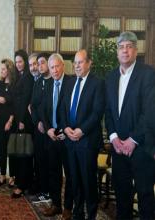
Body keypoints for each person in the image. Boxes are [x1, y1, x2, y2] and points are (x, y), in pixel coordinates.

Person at [105, 31, 155, 219]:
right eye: (121, 47)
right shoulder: (110, 77)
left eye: (129, 46)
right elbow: (108, 112)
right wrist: (114, 138)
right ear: (117, 52)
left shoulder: (148, 74)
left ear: (135, 50)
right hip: (118, 149)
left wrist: (132, 140)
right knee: (122, 196)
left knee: (145, 196)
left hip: (141, 148)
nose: (124, 50)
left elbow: (150, 112)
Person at [60, 49, 105, 220]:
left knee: (88, 182)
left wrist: (81, 130)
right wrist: (65, 128)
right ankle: (78, 213)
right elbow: (63, 109)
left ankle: (91, 215)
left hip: (87, 141)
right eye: (75, 63)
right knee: (74, 180)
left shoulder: (97, 83)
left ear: (89, 63)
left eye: (80, 62)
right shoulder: (70, 82)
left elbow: (97, 112)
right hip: (70, 140)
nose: (77, 66)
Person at [40, 53, 73, 219]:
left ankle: (68, 207)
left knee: (69, 174)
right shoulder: (48, 85)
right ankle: (56, 204)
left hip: (66, 138)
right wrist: (48, 129)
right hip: (51, 137)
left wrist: (63, 130)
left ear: (63, 66)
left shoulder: (71, 83)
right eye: (51, 67)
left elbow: (72, 111)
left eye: (56, 66)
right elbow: (42, 110)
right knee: (53, 172)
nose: (54, 70)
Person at [11, 49, 34, 198]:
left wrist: (21, 121)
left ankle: (22, 185)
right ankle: (21, 181)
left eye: (20, 61)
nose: (18, 64)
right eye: (16, 62)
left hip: (24, 122)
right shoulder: (19, 76)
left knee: (24, 155)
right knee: (19, 153)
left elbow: (26, 101)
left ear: (25, 62)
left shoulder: (28, 77)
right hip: (18, 119)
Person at [30, 52, 52, 201]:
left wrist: (45, 125)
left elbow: (53, 107)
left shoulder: (54, 82)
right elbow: (33, 106)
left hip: (51, 129)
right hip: (39, 128)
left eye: (42, 62)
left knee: (50, 162)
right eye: (38, 63)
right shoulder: (38, 83)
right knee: (39, 161)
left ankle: (50, 192)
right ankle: (42, 190)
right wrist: (37, 122)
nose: (39, 66)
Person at [0, 58, 18, 186]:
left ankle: (12, 176)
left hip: (10, 122)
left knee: (11, 151)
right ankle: (3, 175)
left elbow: (15, 105)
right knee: (2, 150)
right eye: (1, 69)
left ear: (9, 70)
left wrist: (10, 121)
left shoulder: (14, 85)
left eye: (3, 69)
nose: (1, 71)